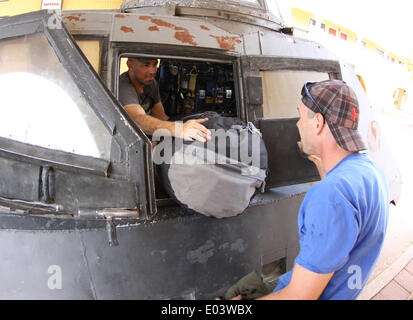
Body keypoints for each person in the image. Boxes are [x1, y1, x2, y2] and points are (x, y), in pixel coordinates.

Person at [227, 80, 389, 300]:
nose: (297, 124)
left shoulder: (331, 196)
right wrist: (321, 159)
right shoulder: (370, 174)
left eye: (302, 116)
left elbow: (298, 297)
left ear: (318, 123)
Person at [118, 57, 211, 142]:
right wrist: (178, 129)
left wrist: (190, 123)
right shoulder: (122, 86)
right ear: (130, 65)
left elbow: (161, 117)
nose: (152, 71)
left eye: (155, 65)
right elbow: (136, 120)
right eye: (146, 65)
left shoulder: (151, 84)